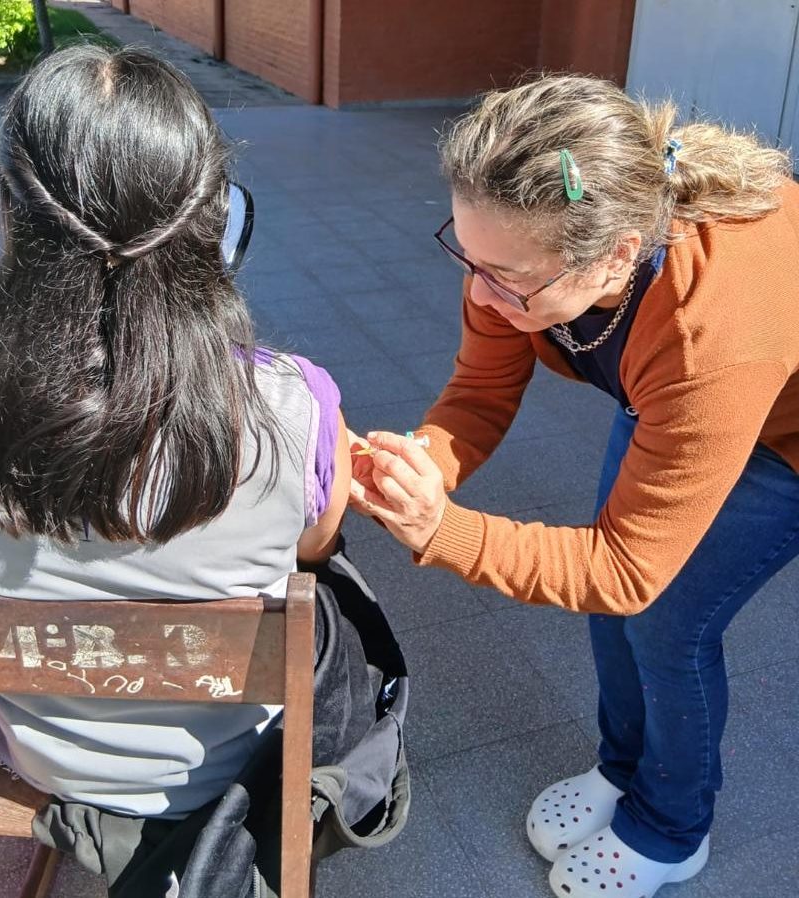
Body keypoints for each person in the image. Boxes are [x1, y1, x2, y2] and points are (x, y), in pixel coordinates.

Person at [0, 44, 406, 897]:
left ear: (8, 213)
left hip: (35, 745)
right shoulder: (293, 407)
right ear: (213, 219)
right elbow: (315, 543)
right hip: (231, 758)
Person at [349, 73, 799, 898]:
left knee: (665, 618)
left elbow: (627, 569)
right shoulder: (516, 247)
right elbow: (480, 392)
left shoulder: (711, 330)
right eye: (467, 256)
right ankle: (623, 768)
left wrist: (440, 530)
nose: (481, 291)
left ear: (618, 253)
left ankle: (671, 827)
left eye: (507, 278)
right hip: (668, 392)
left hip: (783, 435)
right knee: (613, 603)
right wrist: (417, 466)